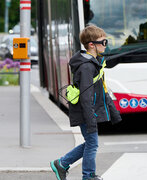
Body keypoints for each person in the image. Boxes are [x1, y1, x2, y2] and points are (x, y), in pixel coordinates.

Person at [50, 25, 122, 180]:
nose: (105, 45)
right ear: (91, 45)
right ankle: (87, 175)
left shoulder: (95, 63)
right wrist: (91, 120)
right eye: (103, 42)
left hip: (90, 111)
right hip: (86, 112)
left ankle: (62, 164)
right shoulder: (87, 67)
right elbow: (86, 97)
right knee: (92, 144)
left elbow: (103, 90)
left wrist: (113, 113)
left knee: (90, 143)